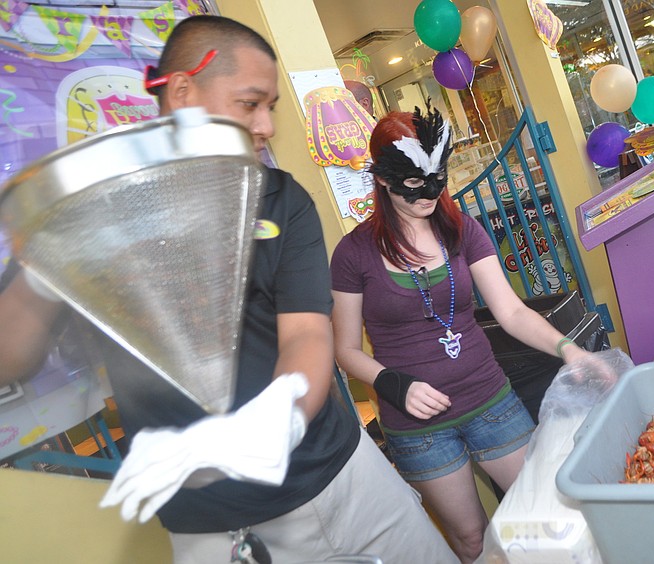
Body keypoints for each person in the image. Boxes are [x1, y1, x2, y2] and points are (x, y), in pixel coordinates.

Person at [0, 15, 459, 564]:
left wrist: (277, 420)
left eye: (271, 108)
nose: (265, 125)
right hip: (216, 527)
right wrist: (50, 256)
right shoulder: (100, 207)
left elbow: (307, 335)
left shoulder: (281, 201)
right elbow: (10, 356)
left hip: (343, 475)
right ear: (182, 90)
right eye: (249, 103)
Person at [329, 105, 599, 563]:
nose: (429, 194)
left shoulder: (461, 229)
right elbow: (346, 350)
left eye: (438, 178)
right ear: (383, 178)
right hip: (418, 431)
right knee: (472, 540)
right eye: (414, 183)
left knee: (547, 517)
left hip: (491, 402)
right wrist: (395, 384)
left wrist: (568, 349)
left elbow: (511, 311)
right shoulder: (354, 254)